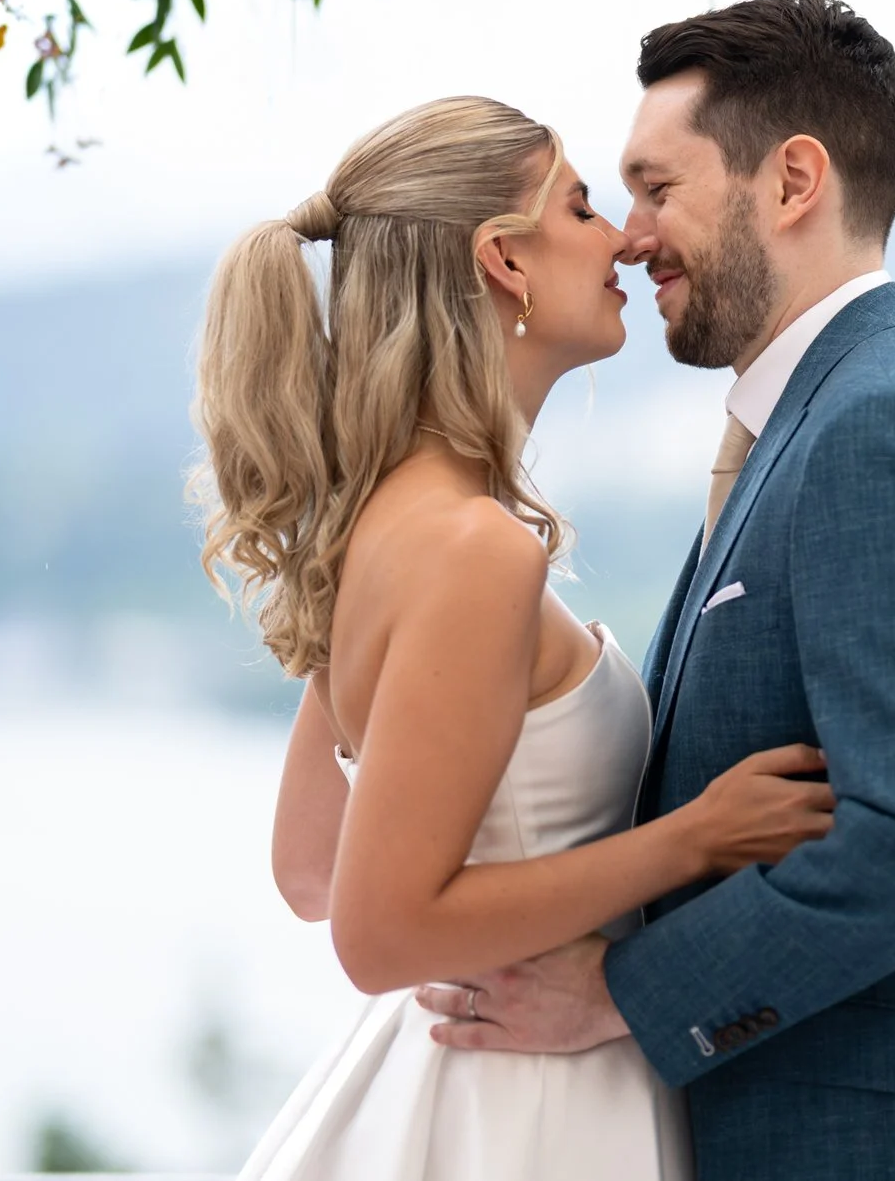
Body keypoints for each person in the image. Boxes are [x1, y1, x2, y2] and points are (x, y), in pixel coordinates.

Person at [413, 0, 895, 1181]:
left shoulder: (884, 427)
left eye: (657, 188)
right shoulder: (808, 424)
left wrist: (622, 992)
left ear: (793, 181)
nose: (629, 237)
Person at [200, 95, 835, 1181]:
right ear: (503, 261)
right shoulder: (473, 551)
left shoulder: (383, 525)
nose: (622, 239)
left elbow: (310, 864)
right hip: (526, 1110)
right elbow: (376, 933)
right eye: (582, 208)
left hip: (453, 1090)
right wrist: (695, 838)